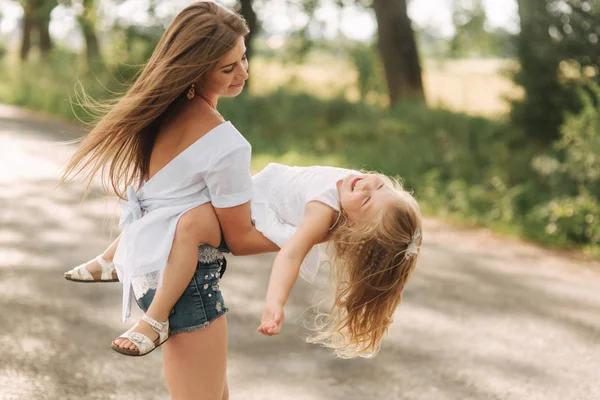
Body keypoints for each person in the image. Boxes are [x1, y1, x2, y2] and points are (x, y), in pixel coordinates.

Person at [61, 3, 277, 399]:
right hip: (185, 286)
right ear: (196, 71)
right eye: (228, 68)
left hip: (150, 270)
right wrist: (309, 235)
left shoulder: (162, 111)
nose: (243, 73)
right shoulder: (226, 143)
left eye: (243, 58)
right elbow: (241, 238)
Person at [67, 162, 423, 359]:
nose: (364, 186)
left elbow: (292, 254)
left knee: (183, 222)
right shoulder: (350, 185)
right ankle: (111, 260)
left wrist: (274, 303)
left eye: (367, 199)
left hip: (248, 215)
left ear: (356, 230)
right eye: (379, 184)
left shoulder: (325, 208)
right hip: (248, 192)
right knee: (165, 200)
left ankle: (156, 320)